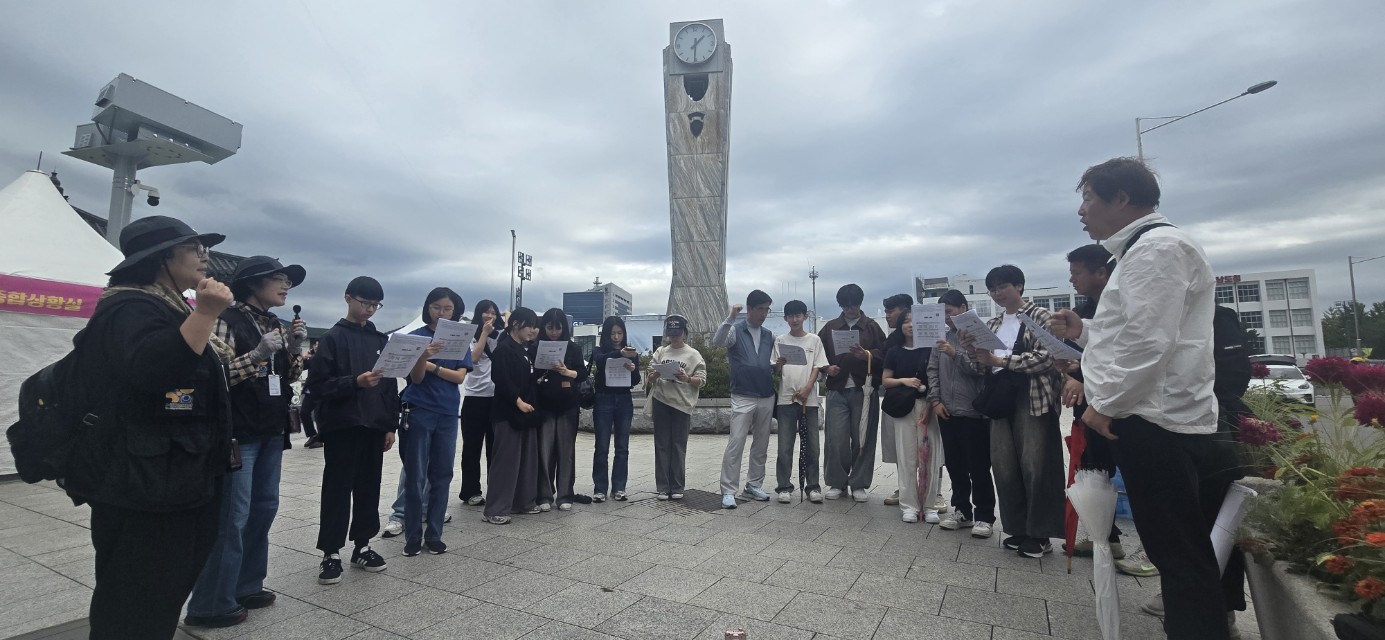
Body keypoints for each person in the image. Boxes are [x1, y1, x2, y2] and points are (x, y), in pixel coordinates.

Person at [1051, 157, 1242, 639]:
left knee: (1178, 555)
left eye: (1089, 197)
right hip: (1153, 415)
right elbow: (1136, 333)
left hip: (1154, 421)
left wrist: (1104, 405)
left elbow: (1148, 343)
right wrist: (1087, 330)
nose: (1081, 210)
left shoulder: (1158, 249)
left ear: (1121, 199)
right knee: (1177, 551)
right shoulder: (1144, 251)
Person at [61, 215, 235, 638]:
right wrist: (208, 311)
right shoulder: (128, 306)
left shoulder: (166, 306)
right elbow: (158, 371)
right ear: (161, 259)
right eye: (195, 249)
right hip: (144, 482)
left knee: (161, 591)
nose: (204, 257)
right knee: (136, 596)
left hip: (173, 473)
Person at [185, 256, 307, 627]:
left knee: (263, 509)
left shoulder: (273, 323)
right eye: (278, 280)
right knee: (232, 518)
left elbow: (289, 375)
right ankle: (210, 603)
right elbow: (215, 376)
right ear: (253, 284)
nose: (285, 286)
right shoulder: (227, 318)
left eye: (287, 281)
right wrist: (257, 355)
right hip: (238, 432)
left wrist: (296, 348)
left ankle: (247, 585)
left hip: (270, 428)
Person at [963, 265, 1064, 559]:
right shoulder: (992, 323)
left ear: (1019, 286)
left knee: (1036, 464)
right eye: (993, 289)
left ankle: (1041, 534)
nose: (997, 294)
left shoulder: (1040, 316)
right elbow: (980, 366)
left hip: (1032, 398)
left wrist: (1002, 360)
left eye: (1003, 287)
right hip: (1000, 399)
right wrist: (974, 352)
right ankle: (1018, 528)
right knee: (1005, 465)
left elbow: (1049, 356)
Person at [306, 276, 400, 584]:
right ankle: (330, 551)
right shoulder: (333, 338)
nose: (370, 310)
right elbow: (317, 387)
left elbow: (388, 386)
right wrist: (354, 382)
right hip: (342, 424)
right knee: (337, 487)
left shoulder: (379, 340)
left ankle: (363, 545)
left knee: (368, 487)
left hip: (373, 424)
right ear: (348, 298)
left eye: (375, 305)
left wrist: (390, 425)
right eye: (365, 303)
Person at [1057, 245, 1127, 559]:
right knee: (1094, 470)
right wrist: (1068, 372)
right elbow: (1080, 357)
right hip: (1087, 408)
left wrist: (1081, 374)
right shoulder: (1083, 311)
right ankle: (1105, 536)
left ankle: (1152, 552)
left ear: (1101, 272)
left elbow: (1123, 355)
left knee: (1129, 472)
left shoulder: (1126, 305)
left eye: (1077, 273)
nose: (1072, 279)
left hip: (1121, 407)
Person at [397, 288, 472, 556]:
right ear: (428, 307)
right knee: (416, 475)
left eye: (447, 309)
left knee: (442, 474)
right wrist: (422, 356)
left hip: (449, 412)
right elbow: (415, 379)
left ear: (455, 311)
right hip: (419, 409)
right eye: (436, 307)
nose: (441, 313)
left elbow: (460, 378)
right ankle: (412, 536)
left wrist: (434, 367)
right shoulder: (415, 337)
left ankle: (435, 534)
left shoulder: (459, 339)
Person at [927, 290, 995, 538]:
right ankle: (962, 510)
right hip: (947, 410)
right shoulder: (941, 337)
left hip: (973, 412)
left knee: (978, 466)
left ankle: (985, 516)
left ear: (963, 308)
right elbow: (932, 370)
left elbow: (980, 370)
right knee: (955, 465)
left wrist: (955, 353)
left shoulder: (978, 335)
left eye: (950, 311)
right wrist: (935, 400)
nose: (946, 317)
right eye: (942, 313)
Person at [818, 284, 888, 502]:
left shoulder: (872, 326)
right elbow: (818, 357)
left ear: (860, 303)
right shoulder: (830, 327)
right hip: (837, 389)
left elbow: (886, 355)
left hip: (864, 390)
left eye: (855, 305)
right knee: (836, 438)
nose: (851, 309)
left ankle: (859, 483)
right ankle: (836, 482)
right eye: (846, 305)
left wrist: (866, 355)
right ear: (841, 305)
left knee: (863, 438)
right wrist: (827, 368)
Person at [712, 291, 778, 509]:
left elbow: (770, 362)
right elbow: (718, 341)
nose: (764, 314)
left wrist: (778, 366)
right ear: (749, 309)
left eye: (767, 309)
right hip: (742, 394)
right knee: (736, 441)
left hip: (766, 393)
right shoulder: (735, 330)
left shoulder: (769, 335)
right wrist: (730, 317)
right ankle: (729, 490)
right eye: (761, 309)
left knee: (761, 443)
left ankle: (754, 484)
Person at [483, 307, 545, 524]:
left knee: (526, 459)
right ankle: (495, 509)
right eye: (530, 326)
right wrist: (517, 401)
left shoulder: (524, 349)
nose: (533, 331)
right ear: (516, 323)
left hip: (526, 412)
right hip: (507, 412)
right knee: (506, 461)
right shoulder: (503, 349)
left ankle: (523, 502)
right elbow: (500, 379)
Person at [880, 309, 938, 523]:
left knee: (930, 457)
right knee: (907, 457)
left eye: (915, 321)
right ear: (900, 326)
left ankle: (929, 505)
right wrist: (904, 381)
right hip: (904, 407)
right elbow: (886, 380)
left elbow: (936, 379)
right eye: (906, 321)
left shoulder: (931, 350)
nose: (911, 325)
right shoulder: (894, 351)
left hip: (929, 406)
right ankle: (909, 505)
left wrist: (932, 406)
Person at [771, 300, 829, 503]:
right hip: (786, 399)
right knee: (784, 446)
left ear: (805, 316)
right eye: (790, 316)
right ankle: (784, 487)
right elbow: (776, 370)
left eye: (798, 315)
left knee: (812, 445)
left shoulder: (814, 340)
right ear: (785, 318)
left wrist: (808, 388)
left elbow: (818, 366)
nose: (794, 319)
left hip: (809, 400)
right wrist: (778, 364)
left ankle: (813, 486)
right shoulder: (780, 340)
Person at [531, 308, 588, 512]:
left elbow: (582, 373)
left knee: (566, 451)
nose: (554, 332)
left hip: (568, 405)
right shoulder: (535, 347)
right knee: (544, 451)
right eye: (549, 327)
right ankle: (545, 494)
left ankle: (565, 494)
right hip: (544, 405)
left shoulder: (572, 348)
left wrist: (567, 371)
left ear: (564, 328)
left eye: (558, 328)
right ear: (543, 327)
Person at [647, 315, 707, 500]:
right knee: (662, 445)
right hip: (661, 401)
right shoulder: (661, 352)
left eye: (678, 333)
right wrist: (656, 374)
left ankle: (678, 486)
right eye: (671, 334)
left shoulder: (693, 354)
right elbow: (649, 377)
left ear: (685, 333)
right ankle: (663, 487)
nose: (674, 337)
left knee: (678, 445)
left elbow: (702, 380)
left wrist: (687, 378)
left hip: (682, 404)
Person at [458, 299, 503, 507]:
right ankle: (470, 491)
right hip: (475, 398)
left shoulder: (500, 336)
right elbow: (472, 359)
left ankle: (496, 487)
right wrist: (484, 333)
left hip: (496, 398)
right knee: (471, 448)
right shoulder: (470, 336)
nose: (490, 315)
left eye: (493, 312)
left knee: (495, 448)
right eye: (485, 312)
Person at [590, 316, 640, 502]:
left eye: (619, 333)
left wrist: (633, 368)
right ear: (606, 334)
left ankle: (619, 487)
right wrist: (620, 354)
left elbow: (635, 381)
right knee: (601, 446)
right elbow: (600, 360)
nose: (616, 337)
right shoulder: (599, 350)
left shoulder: (632, 352)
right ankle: (600, 488)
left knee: (622, 447)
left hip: (624, 400)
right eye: (612, 333)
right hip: (604, 399)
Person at [880, 293, 914, 508]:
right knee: (901, 447)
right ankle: (905, 487)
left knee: (928, 447)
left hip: (924, 401)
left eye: (891, 311)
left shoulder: (928, 337)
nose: (887, 316)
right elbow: (885, 374)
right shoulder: (892, 341)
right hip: (897, 401)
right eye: (885, 312)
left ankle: (935, 491)